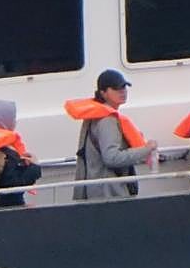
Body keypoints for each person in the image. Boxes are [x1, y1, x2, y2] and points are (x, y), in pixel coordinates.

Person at [65, 69, 158, 199]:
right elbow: (111, 158)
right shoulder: (107, 120)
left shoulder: (95, 116)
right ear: (103, 93)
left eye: (124, 87)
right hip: (108, 194)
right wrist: (146, 149)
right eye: (116, 88)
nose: (122, 91)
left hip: (94, 191)